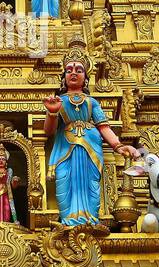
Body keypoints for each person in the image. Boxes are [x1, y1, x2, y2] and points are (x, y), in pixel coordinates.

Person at [44, 43, 138, 225]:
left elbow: (104, 128)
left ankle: (90, 219)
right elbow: (48, 131)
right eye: (69, 70)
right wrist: (52, 112)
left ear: (86, 78)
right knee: (65, 182)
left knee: (90, 184)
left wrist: (119, 146)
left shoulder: (91, 102)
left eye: (79, 70)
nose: (73, 73)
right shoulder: (58, 101)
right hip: (65, 148)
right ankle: (69, 220)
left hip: (90, 146)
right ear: (63, 77)